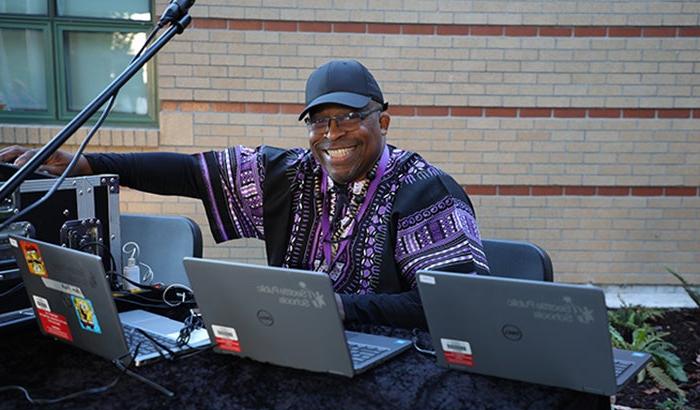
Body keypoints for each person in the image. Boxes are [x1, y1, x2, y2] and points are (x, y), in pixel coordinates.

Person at [0, 59, 489, 329]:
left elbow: (453, 303)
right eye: (320, 121)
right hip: (295, 346)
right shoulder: (291, 175)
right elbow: (191, 173)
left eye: (350, 118)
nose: (333, 134)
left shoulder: (426, 191)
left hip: (395, 363)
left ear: (381, 121)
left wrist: (338, 308)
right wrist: (89, 163)